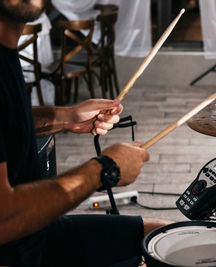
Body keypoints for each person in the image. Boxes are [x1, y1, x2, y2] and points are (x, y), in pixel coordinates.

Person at [0, 0, 171, 266]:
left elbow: (6, 122)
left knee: (169, 235)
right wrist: (103, 170)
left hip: (35, 234)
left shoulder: (5, 52)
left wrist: (66, 118)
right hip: (15, 253)